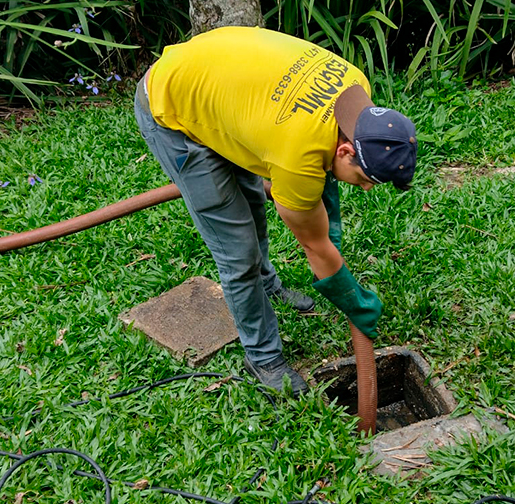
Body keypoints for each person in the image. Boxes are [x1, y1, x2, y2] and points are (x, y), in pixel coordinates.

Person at [134, 26, 417, 395]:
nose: (365, 187)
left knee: (251, 194)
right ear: (346, 151)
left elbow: (320, 175)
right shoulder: (297, 156)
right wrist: (352, 298)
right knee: (237, 251)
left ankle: (267, 284)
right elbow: (314, 244)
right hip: (171, 106)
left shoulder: (354, 89)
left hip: (223, 88)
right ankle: (263, 356)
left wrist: (324, 213)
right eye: (367, 178)